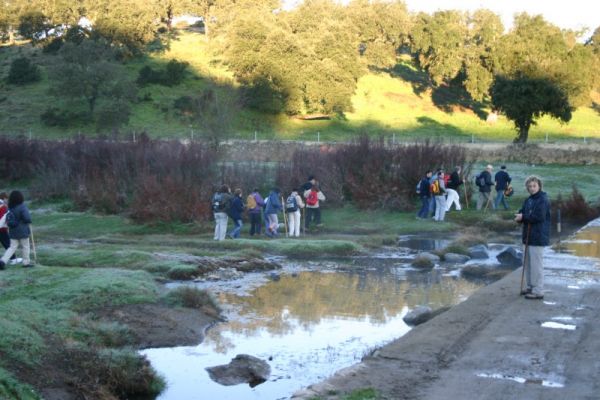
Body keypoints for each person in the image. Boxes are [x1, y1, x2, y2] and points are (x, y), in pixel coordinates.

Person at [515, 175, 550, 300]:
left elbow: (539, 216)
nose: (532, 188)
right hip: (528, 236)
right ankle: (530, 286)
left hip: (538, 236)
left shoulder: (543, 199)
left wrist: (523, 217)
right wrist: (520, 216)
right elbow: (523, 211)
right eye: (529, 186)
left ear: (539, 186)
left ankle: (538, 290)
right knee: (528, 263)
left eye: (534, 186)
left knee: (536, 265)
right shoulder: (529, 200)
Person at [0, 190, 33, 269]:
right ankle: (26, 263)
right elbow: (27, 218)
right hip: (23, 231)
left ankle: (2, 261)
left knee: (12, 247)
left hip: (13, 231)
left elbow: (5, 218)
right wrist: (29, 220)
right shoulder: (22, 206)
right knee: (25, 246)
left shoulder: (10, 207)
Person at [0, 192, 18, 264]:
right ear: (4, 198)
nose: (7, 200)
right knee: (8, 244)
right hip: (2, 228)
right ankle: (13, 258)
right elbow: (3, 218)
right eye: (6, 198)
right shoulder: (2, 206)